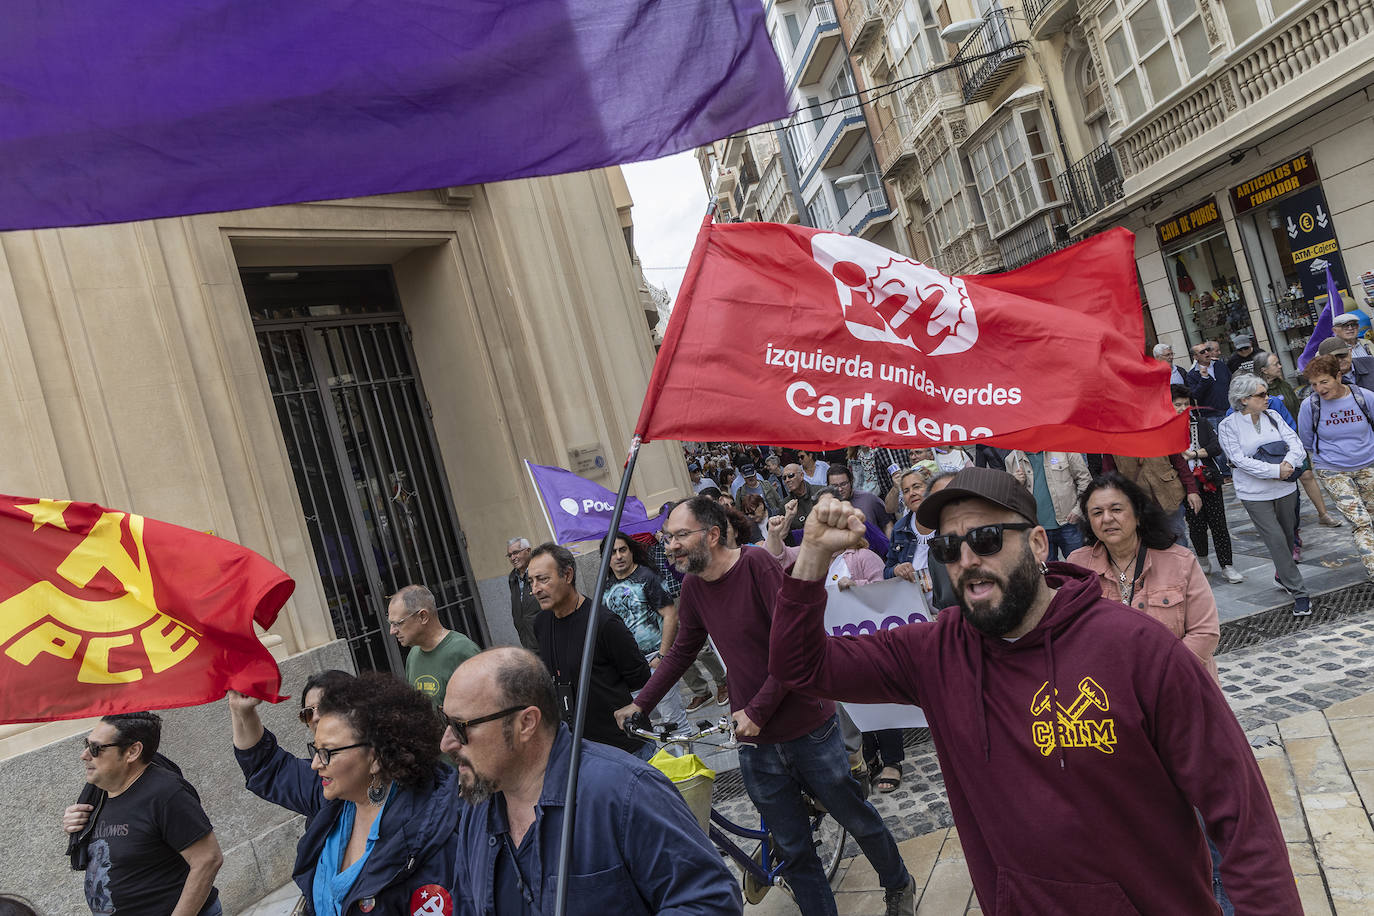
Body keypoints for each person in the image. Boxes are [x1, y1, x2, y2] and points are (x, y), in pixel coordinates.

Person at [767, 475, 1300, 915]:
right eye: (950, 547)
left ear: (1039, 543)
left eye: (988, 539)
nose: (968, 558)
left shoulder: (1140, 648)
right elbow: (800, 665)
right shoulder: (933, 652)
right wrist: (811, 558)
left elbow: (1241, 816)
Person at [614, 496, 915, 916]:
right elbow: (683, 651)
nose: (670, 546)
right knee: (793, 848)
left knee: (855, 817)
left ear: (712, 534)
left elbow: (796, 647)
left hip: (807, 726)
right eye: (668, 538)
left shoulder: (756, 565)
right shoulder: (695, 588)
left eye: (680, 535)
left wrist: (758, 709)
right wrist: (641, 704)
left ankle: (899, 883)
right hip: (755, 740)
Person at [442, 648, 742, 915]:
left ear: (526, 723)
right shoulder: (477, 810)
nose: (446, 744)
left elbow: (711, 902)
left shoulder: (625, 792)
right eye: (445, 722)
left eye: (460, 727)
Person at [231, 673, 461, 915]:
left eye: (328, 752)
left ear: (375, 757)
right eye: (315, 750)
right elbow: (271, 768)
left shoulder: (435, 834)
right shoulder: (333, 799)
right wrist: (241, 711)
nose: (315, 764)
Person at [62, 712, 223, 916]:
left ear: (132, 751)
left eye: (96, 748)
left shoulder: (166, 793)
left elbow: (208, 859)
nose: (84, 755)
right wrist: (74, 826)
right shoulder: (96, 795)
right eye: (86, 744)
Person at [1068, 473, 1220, 679]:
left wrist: (1155, 678)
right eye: (1096, 512)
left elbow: (1204, 633)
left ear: (1138, 514)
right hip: (1115, 690)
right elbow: (1072, 636)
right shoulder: (1077, 565)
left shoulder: (1180, 560)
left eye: (1116, 509)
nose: (1107, 518)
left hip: (1179, 683)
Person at [530, 543, 653, 757]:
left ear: (567, 575)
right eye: (531, 581)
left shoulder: (604, 622)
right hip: (579, 752)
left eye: (543, 579)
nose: (535, 589)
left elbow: (640, 678)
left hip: (625, 748)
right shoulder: (541, 624)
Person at [1219, 373, 1312, 615]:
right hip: (1254, 493)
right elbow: (1238, 460)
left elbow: (1295, 444)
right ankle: (1300, 591)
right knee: (1276, 540)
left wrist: (1288, 466)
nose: (1267, 398)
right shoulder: (1228, 426)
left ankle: (1283, 576)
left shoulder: (1274, 416)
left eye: (1266, 392)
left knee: (1288, 536)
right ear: (1243, 399)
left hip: (1285, 487)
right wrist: (1274, 470)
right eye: (1261, 395)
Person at [603, 531, 690, 733]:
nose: (618, 556)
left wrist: (662, 656)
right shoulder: (605, 589)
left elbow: (670, 615)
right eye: (612, 552)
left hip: (655, 660)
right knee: (643, 725)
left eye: (622, 549)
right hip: (629, 669)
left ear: (631, 551)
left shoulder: (647, 578)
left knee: (674, 723)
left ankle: (686, 765)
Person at [1298, 353, 1374, 581]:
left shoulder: (1364, 397)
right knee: (1361, 523)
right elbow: (1306, 440)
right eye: (1313, 384)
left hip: (1368, 464)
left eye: (1324, 382)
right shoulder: (1309, 405)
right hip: (1332, 469)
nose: (1319, 389)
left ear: (1338, 376)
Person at [1252, 351, 1342, 526]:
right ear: (1264, 370)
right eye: (1275, 364)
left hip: (1295, 439)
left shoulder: (1283, 384)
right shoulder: (1258, 391)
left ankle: (1323, 514)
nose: (1280, 366)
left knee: (1307, 475)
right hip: (1275, 448)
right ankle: (1287, 523)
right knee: (1285, 483)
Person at [1172, 385, 1244, 583]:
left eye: (1185, 404)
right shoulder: (1166, 430)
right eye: (1177, 404)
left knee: (1219, 523)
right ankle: (1202, 558)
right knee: (1196, 524)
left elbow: (1216, 447)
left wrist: (1194, 454)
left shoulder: (1200, 423)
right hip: (1184, 483)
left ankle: (1227, 565)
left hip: (1208, 478)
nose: (1182, 408)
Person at [388, 584, 479, 707]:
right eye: (391, 624)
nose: (392, 631)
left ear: (423, 616)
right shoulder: (413, 655)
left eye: (398, 623)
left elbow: (484, 705)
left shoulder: (462, 650)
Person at [1004, 449, 1091, 561]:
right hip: (1038, 529)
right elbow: (1010, 500)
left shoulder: (1064, 450)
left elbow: (1085, 480)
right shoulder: (1012, 459)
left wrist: (1079, 509)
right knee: (1049, 574)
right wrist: (1014, 483)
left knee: (1080, 568)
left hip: (1069, 524)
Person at [828, 463, 892, 536]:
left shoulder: (869, 499)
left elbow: (887, 524)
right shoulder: (826, 507)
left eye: (843, 484)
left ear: (851, 481)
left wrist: (889, 545)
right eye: (834, 486)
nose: (839, 489)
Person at [1186, 340, 1232, 431]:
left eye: (1207, 349)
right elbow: (1195, 395)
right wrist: (1204, 379)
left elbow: (1232, 383)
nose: (1207, 353)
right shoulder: (1192, 375)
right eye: (1202, 352)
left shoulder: (1220, 365)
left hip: (1229, 411)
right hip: (1211, 416)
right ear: (1195, 357)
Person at [506, 537, 543, 651]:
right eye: (510, 555)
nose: (513, 558)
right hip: (528, 643)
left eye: (516, 553)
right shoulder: (513, 578)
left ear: (528, 550)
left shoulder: (539, 572)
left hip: (546, 640)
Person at [781, 463, 823, 532]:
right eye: (784, 478)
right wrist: (788, 518)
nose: (787, 480)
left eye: (791, 475)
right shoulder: (785, 505)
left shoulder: (820, 493)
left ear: (801, 476)